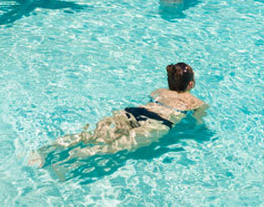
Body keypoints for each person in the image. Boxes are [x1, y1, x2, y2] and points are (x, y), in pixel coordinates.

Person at [29, 62, 207, 166]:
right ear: (191, 84)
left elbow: (153, 102)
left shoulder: (158, 91)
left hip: (134, 112)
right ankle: (63, 163)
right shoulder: (196, 103)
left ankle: (43, 151)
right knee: (110, 148)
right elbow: (197, 125)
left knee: (90, 135)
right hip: (156, 123)